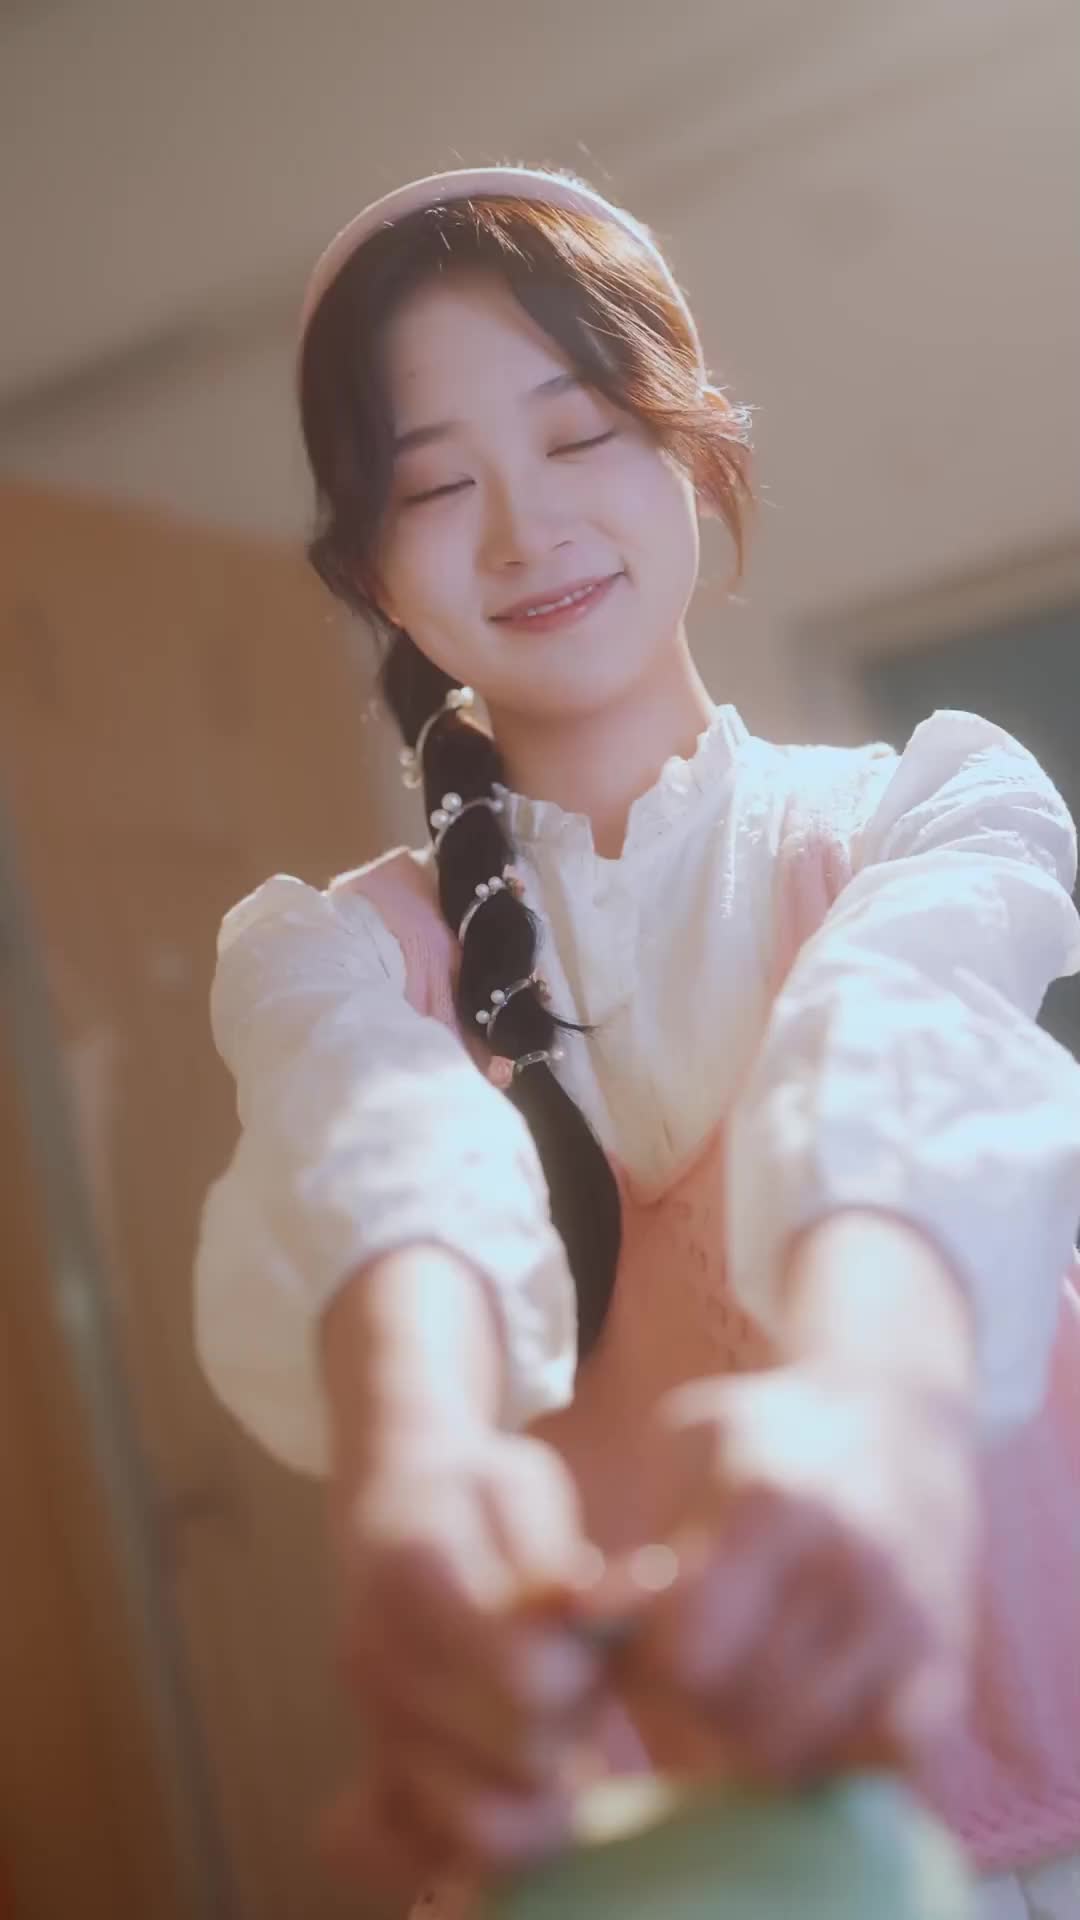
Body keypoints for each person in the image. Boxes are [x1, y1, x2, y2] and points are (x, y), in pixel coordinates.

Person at [193, 165, 1080, 1919]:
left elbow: (894, 1034)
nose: (524, 530)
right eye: (435, 483)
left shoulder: (926, 811)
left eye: (580, 433)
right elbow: (389, 1165)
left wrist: (879, 1401)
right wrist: (414, 1464)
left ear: (697, 446)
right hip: (662, 1857)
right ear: (368, 565)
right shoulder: (336, 961)